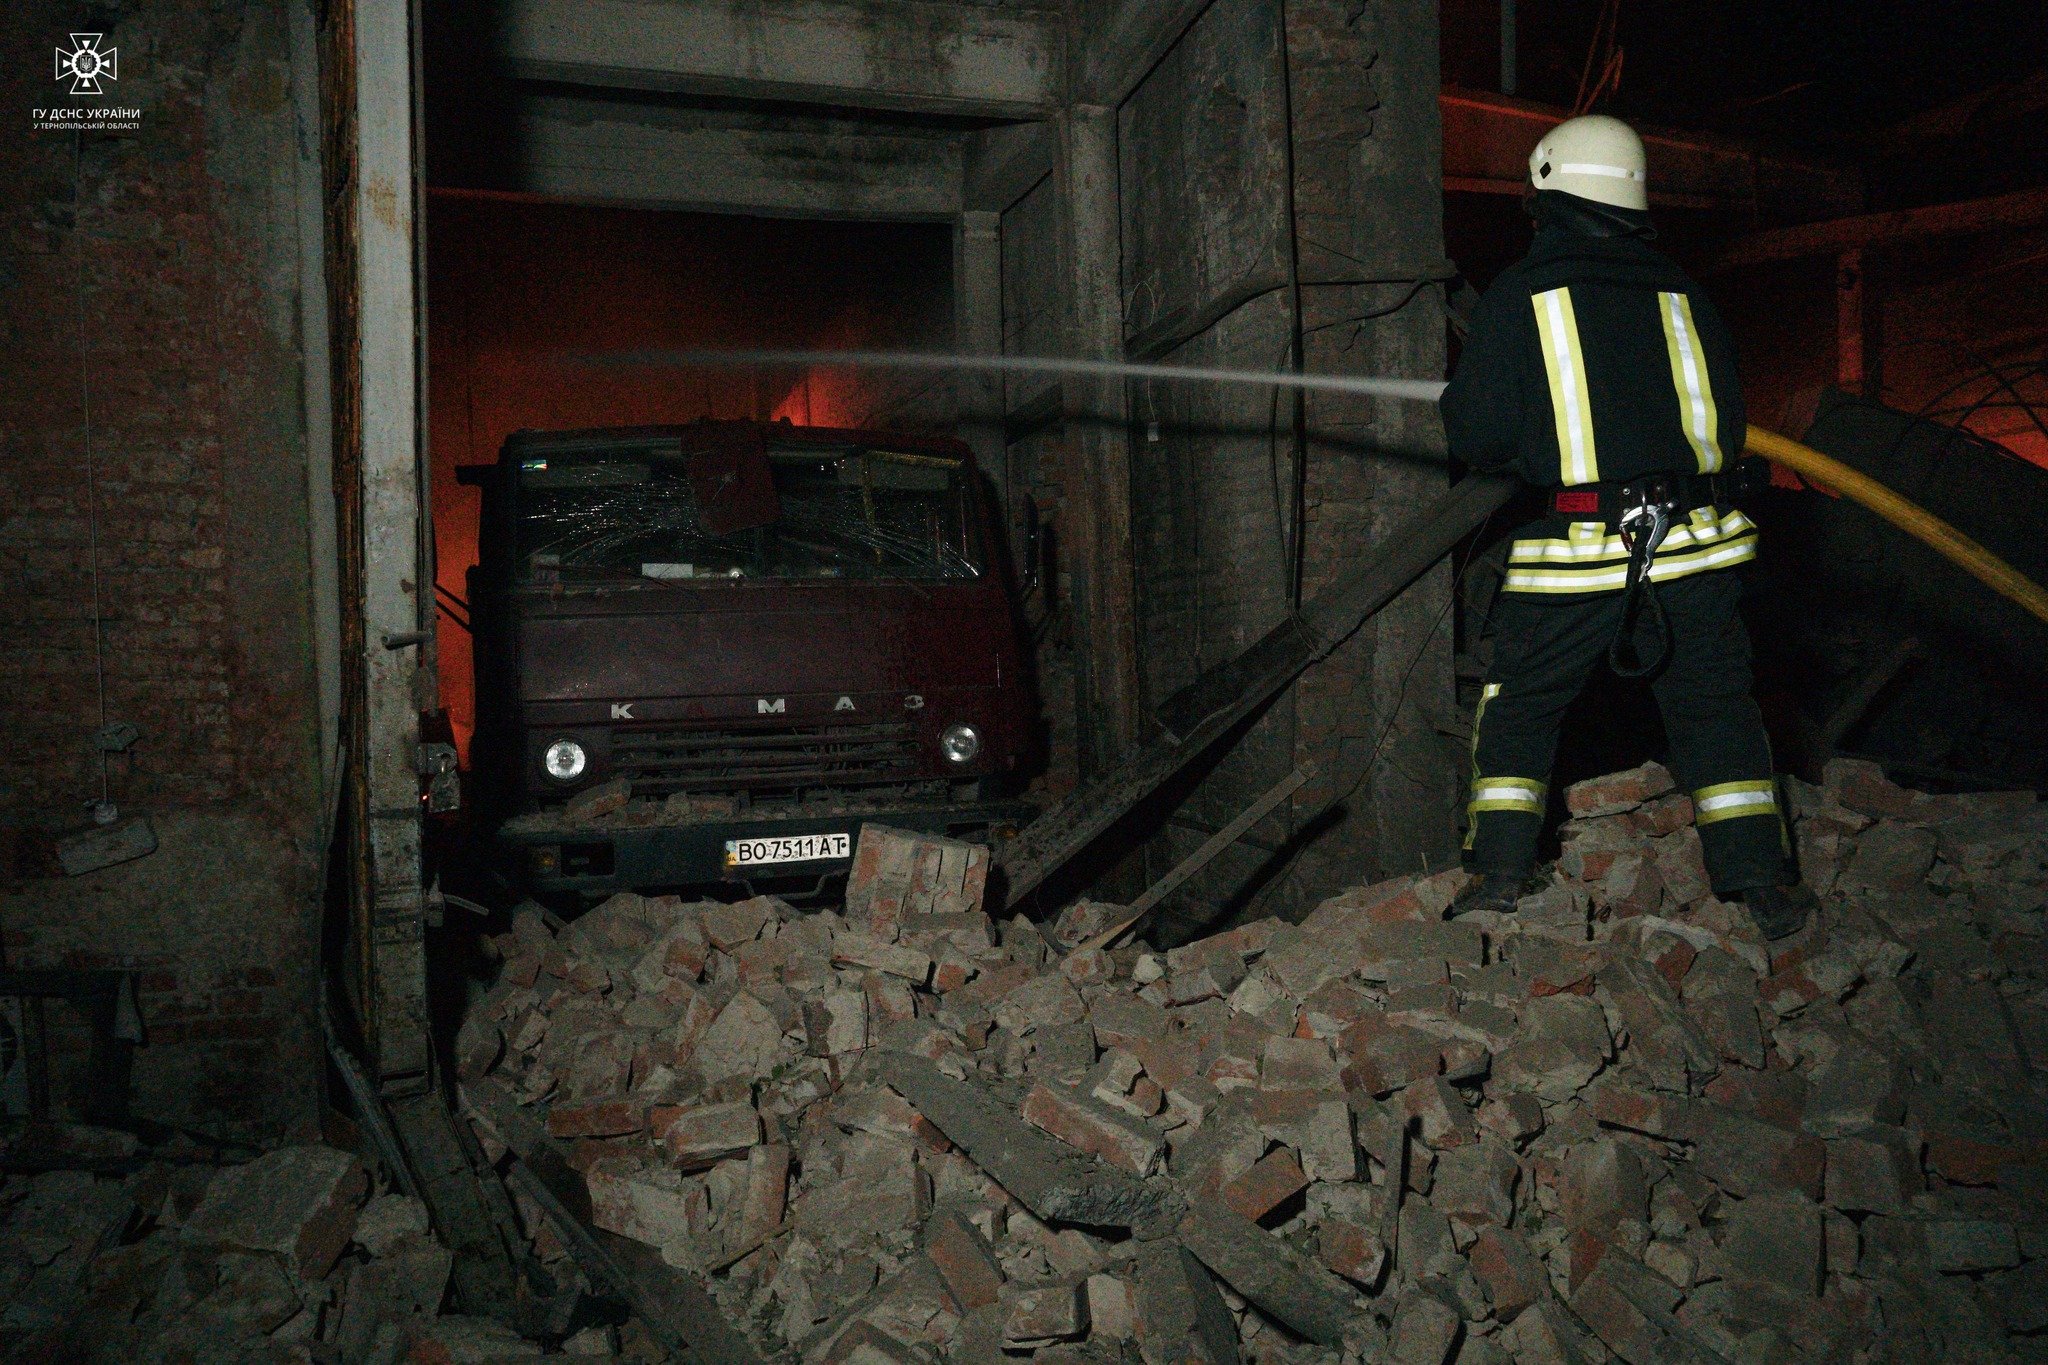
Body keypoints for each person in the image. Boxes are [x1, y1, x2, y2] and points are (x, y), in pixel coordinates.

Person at [1438, 114, 1814, 939]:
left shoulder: (1522, 295)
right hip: (1696, 547)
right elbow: (1729, 421)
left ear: (1550, 196)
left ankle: (1500, 872)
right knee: (1718, 709)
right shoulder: (1687, 295)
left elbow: (1476, 435)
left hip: (1582, 553)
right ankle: (1761, 883)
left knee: (1522, 707)